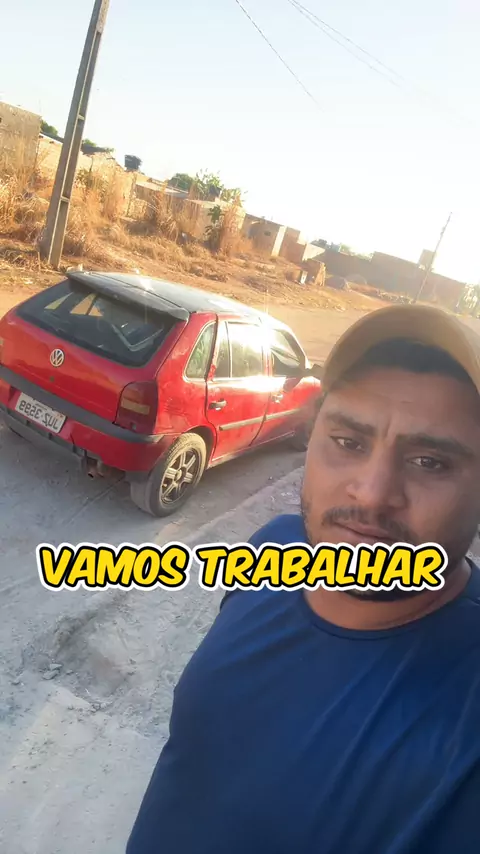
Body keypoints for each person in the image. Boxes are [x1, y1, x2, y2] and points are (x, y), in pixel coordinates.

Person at [126, 304, 480, 854]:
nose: (371, 493)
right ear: (311, 439)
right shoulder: (274, 548)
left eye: (430, 461)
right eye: (349, 442)